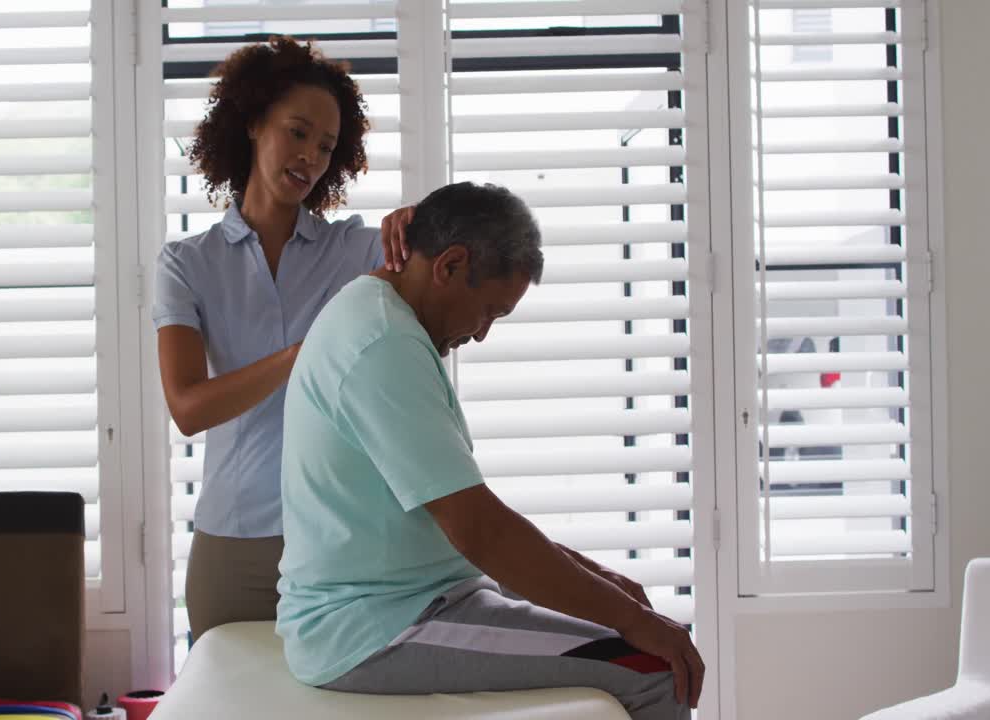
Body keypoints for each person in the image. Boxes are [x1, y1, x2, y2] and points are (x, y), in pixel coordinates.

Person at [276, 182, 704, 720]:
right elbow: (479, 530)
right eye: (489, 311)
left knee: (626, 626)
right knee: (657, 670)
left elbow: (471, 517)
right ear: (450, 265)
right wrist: (631, 620)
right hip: (372, 629)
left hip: (415, 601)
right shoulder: (382, 345)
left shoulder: (382, 317)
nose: (481, 334)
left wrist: (601, 582)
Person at [153, 36, 413, 641]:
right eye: (297, 133)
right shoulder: (187, 264)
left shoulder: (353, 249)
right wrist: (305, 354)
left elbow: (441, 256)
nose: (311, 157)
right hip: (233, 547)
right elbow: (189, 408)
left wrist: (418, 217)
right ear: (251, 124)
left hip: (337, 539)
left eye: (326, 146)